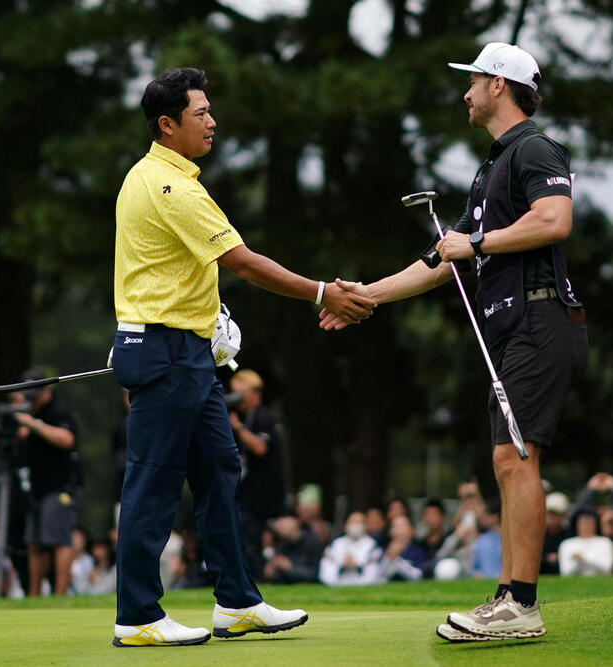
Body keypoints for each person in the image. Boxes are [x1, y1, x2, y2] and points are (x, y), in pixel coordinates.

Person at [326, 43, 587, 642]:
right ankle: (507, 597)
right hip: (518, 325)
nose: (465, 93)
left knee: (515, 458)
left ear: (499, 85)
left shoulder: (536, 149)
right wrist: (367, 295)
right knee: (508, 460)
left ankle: (521, 605)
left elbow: (554, 220)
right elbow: (439, 261)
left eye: (472, 81)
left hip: (542, 320)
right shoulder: (491, 168)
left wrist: (477, 244)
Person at [109, 67, 375, 647]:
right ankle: (136, 616)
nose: (212, 121)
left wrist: (212, 318)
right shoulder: (168, 184)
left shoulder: (166, 177)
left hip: (189, 350)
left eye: (210, 111)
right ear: (167, 124)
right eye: (200, 113)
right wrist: (322, 292)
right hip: (164, 351)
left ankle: (236, 603)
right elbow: (244, 261)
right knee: (153, 483)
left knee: (221, 470)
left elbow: (182, 269)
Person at [14, 370, 81, 597]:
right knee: (34, 541)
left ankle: (60, 594)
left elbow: (67, 439)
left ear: (48, 391)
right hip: (36, 487)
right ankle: (34, 595)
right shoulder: (27, 410)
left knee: (58, 539)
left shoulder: (58, 411)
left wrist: (34, 425)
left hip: (61, 485)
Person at [228, 369, 287, 578]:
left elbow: (261, 447)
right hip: (251, 491)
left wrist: (238, 428)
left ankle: (257, 581)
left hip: (263, 492)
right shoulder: (249, 417)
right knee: (247, 538)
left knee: (252, 539)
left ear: (255, 392)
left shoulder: (263, 416)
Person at [318, 511, 382, 586]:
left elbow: (373, 574)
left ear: (365, 526)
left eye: (360, 523)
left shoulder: (372, 545)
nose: (356, 526)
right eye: (353, 522)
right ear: (346, 525)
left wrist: (356, 563)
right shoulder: (336, 544)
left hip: (362, 582)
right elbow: (326, 573)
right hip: (338, 582)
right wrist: (342, 563)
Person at [262, 516, 323, 585]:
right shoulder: (280, 544)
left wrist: (290, 568)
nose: (279, 526)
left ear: (295, 522)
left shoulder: (311, 542)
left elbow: (315, 574)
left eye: (283, 523)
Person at [558, 509, 613, 575]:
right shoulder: (567, 544)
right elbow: (565, 572)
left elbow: (606, 568)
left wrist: (584, 558)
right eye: (583, 522)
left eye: (589, 522)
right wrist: (578, 562)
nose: (586, 525)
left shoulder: (605, 542)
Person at [378, 515, 427, 582]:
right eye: (396, 526)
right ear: (391, 531)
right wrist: (389, 557)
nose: (399, 529)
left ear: (411, 530)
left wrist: (397, 559)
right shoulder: (384, 549)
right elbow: (379, 576)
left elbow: (418, 576)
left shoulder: (417, 550)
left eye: (403, 525)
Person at [417, 499, 450, 578]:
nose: (430, 518)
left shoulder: (448, 541)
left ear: (443, 517)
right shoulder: (419, 544)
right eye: (427, 514)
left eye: (434, 514)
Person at [540, 492, 572, 574]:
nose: (552, 517)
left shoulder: (569, 534)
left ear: (563, 516)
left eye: (556, 514)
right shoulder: (536, 535)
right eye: (550, 513)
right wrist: (547, 558)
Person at [471, 499, 503, 579]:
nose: (483, 517)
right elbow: (475, 569)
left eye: (486, 514)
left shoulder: (510, 539)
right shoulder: (482, 539)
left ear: (495, 516)